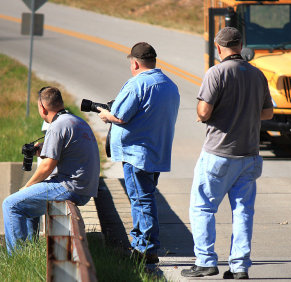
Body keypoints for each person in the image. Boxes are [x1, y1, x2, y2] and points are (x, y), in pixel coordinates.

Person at [181, 27, 274, 279]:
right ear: (240, 45)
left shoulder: (216, 72)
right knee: (243, 211)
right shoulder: (257, 75)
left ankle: (206, 261)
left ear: (218, 47)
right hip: (250, 155)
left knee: (202, 208)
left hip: (219, 153)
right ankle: (239, 267)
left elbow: (203, 112)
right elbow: (268, 113)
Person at [96, 42, 180, 264]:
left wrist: (106, 115)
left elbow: (120, 116)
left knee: (141, 200)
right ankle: (143, 244)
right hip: (157, 151)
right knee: (145, 198)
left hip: (137, 153)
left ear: (134, 63)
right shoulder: (169, 84)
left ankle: (145, 250)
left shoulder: (137, 85)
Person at [2, 86, 100, 255]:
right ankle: (29, 252)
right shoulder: (77, 121)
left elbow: (48, 166)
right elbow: (69, 154)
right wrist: (45, 150)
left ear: (42, 107)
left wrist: (27, 186)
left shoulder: (57, 126)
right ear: (60, 103)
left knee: (11, 205)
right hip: (86, 187)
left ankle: (18, 257)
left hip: (70, 186)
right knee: (28, 204)